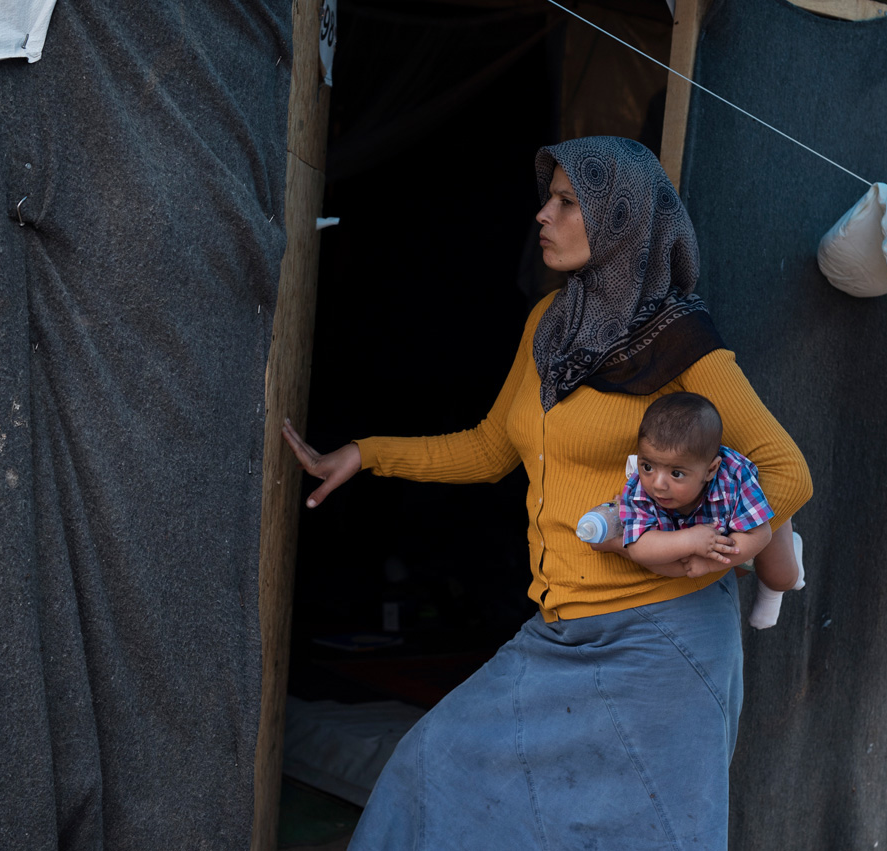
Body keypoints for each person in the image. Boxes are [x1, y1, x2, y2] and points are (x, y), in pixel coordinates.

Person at [281, 136, 812, 849]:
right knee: (428, 769)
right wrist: (364, 453)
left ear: (620, 217)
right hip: (558, 634)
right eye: (548, 198)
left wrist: (727, 546)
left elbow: (787, 470)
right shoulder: (549, 327)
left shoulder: (683, 343)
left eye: (567, 202)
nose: (543, 215)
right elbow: (491, 448)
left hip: (661, 642)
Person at [593, 391, 806, 628]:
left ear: (710, 470)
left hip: (744, 522)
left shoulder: (734, 478)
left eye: (676, 473)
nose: (658, 484)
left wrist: (710, 565)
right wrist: (688, 541)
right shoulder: (639, 489)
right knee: (736, 573)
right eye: (648, 466)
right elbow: (641, 549)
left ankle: (786, 548)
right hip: (711, 539)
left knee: (780, 577)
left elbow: (760, 534)